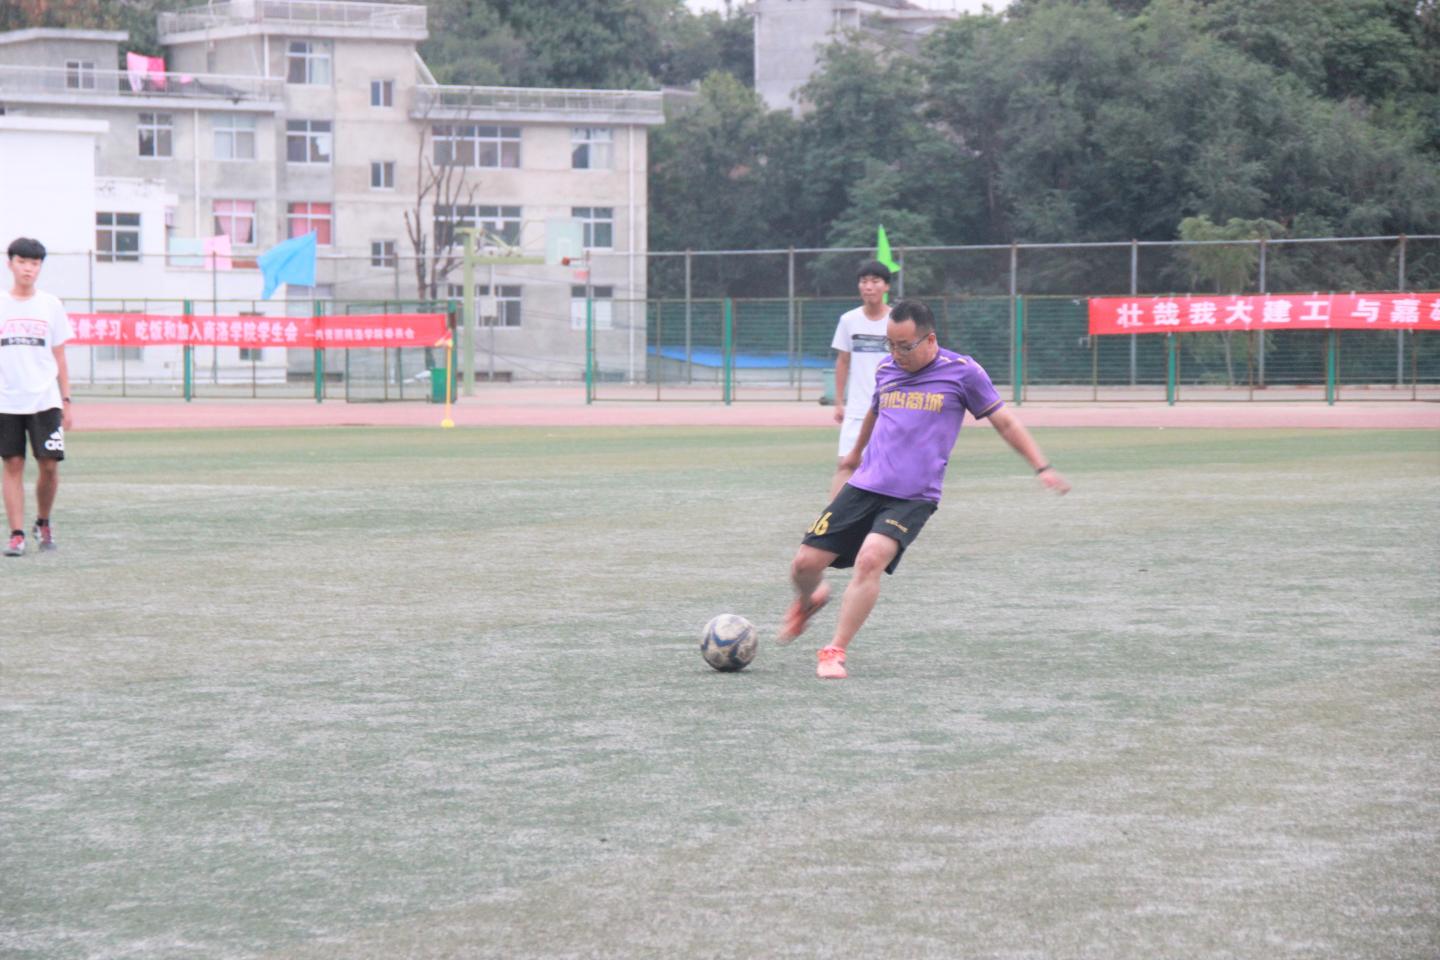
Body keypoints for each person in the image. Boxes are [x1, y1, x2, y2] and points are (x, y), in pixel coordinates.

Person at [777, 298, 1070, 679]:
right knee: (804, 565)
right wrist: (854, 455)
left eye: (904, 346)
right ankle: (810, 599)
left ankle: (835, 650)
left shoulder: (963, 372)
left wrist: (1041, 467)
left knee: (870, 559)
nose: (896, 354)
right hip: (865, 485)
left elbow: (1005, 422)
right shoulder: (887, 369)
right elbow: (876, 411)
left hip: (913, 496)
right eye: (890, 345)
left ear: (930, 340)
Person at [1, 237, 74, 557]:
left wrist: (67, 399)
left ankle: (43, 521)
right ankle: (16, 534)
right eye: (22, 262)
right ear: (10, 264)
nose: (28, 269)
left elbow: (60, 355)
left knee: (49, 465)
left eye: (34, 263)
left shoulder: (50, 305)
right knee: (13, 463)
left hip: (45, 399)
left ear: (40, 267)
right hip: (7, 400)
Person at [828, 260, 894, 499]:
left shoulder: (897, 320)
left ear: (886, 286)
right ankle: (832, 519)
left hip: (891, 407)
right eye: (864, 281)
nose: (869, 286)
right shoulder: (849, 320)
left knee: (888, 468)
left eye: (875, 281)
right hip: (857, 408)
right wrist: (838, 401)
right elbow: (843, 361)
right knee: (846, 464)